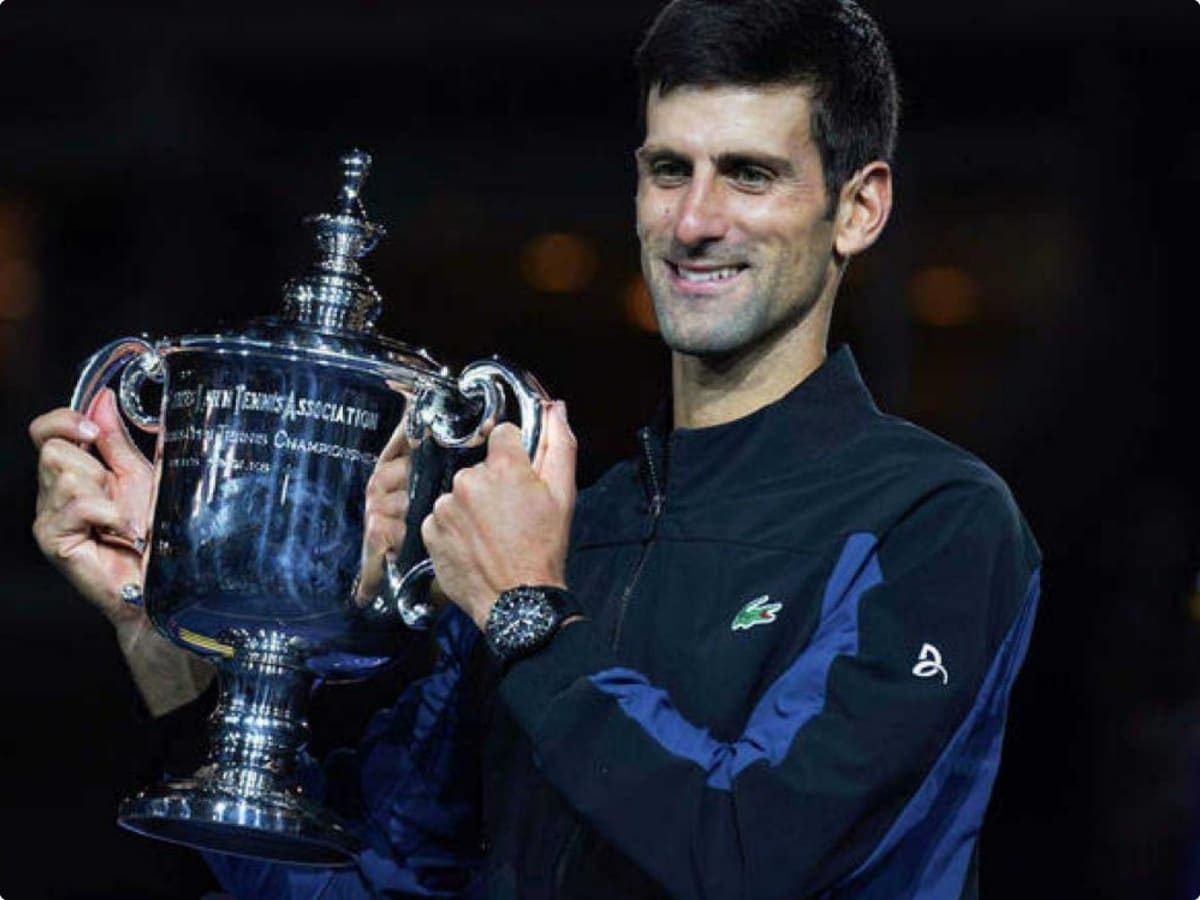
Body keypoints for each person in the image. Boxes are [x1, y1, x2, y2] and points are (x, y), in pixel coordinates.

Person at [29, 0, 1041, 896]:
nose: (693, 221)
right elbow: (368, 881)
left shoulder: (934, 522)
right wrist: (165, 640)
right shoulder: (571, 528)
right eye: (666, 169)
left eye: (749, 174)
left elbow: (752, 854)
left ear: (856, 208)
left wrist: (524, 613)